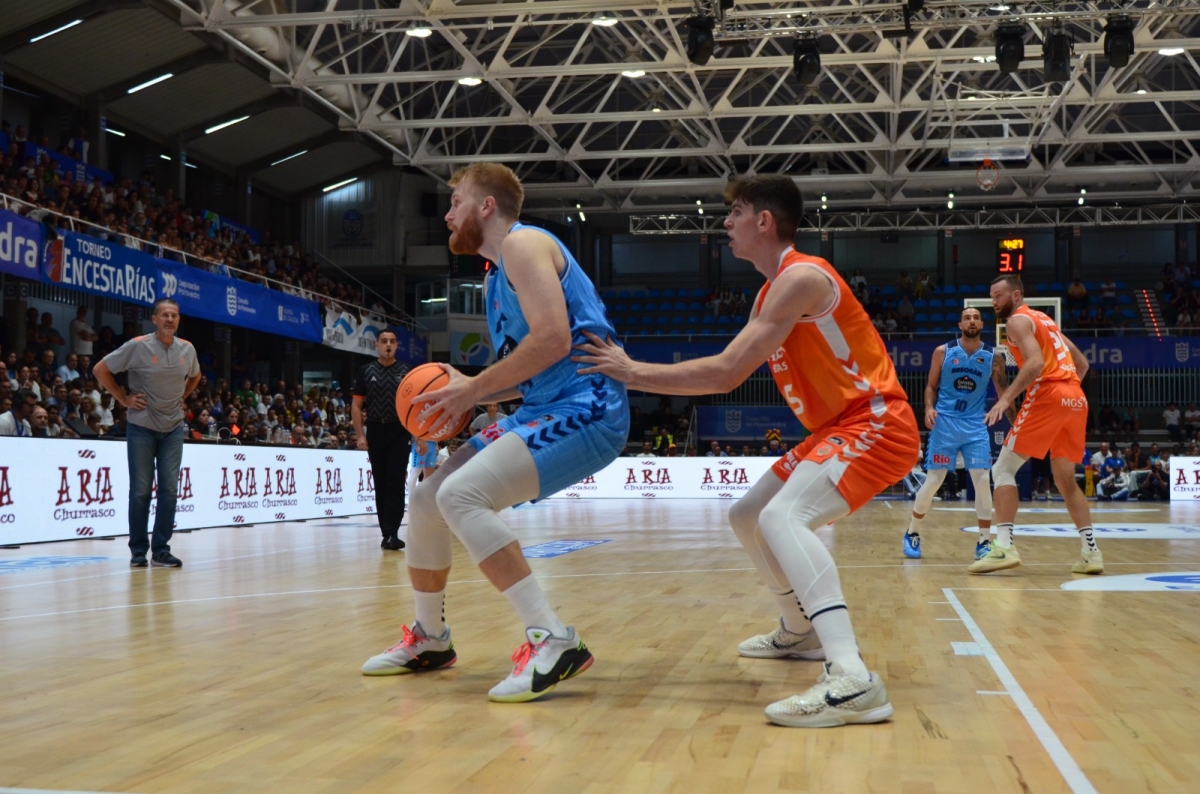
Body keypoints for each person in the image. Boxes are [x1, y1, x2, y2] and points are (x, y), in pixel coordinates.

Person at [575, 174, 918, 728]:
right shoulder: (769, 290)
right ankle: (799, 629)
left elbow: (727, 373)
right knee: (748, 515)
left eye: (735, 212)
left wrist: (630, 370)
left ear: (764, 220)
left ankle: (853, 677)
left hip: (875, 420)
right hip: (837, 427)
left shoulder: (801, 278)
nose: (725, 222)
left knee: (786, 517)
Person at [361, 162, 628, 704]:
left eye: (456, 200)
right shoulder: (491, 275)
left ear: (486, 207)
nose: (447, 212)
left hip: (589, 406)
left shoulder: (523, 246)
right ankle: (430, 639)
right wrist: (468, 392)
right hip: (544, 404)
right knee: (429, 498)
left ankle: (554, 639)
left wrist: (474, 390)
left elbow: (553, 341)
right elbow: (533, 366)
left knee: (463, 494)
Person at [971, 275, 1103, 576]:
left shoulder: (1017, 321)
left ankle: (1003, 546)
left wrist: (1005, 400)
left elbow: (1034, 364)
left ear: (1016, 295)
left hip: (1049, 393)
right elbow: (1082, 364)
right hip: (1075, 398)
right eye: (991, 296)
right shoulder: (1045, 320)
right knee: (1066, 480)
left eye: (999, 295)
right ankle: (1091, 552)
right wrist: (1066, 395)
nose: (994, 302)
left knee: (1002, 469)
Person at [93, 298, 201, 569]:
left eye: (174, 315)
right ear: (154, 319)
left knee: (169, 491)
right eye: (164, 315)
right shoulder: (138, 345)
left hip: (173, 427)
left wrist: (182, 396)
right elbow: (100, 369)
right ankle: (138, 551)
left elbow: (195, 376)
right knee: (140, 491)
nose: (169, 319)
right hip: (141, 426)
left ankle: (161, 550)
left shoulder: (187, 349)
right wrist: (123, 398)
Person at [903, 307, 1012, 562]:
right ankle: (912, 533)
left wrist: (1013, 422)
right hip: (945, 425)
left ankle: (984, 541)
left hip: (975, 426)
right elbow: (930, 386)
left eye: (975, 317)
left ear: (982, 324)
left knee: (983, 480)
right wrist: (929, 408)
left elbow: (1004, 392)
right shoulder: (943, 352)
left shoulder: (994, 357)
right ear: (960, 324)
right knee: (934, 481)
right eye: (967, 318)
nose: (971, 321)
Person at [352, 329, 411, 551]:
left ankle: (392, 532)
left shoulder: (407, 372)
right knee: (381, 482)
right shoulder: (365, 371)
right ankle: (385, 533)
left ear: (397, 346)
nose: (388, 345)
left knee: (396, 481)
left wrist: (420, 437)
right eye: (384, 341)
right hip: (375, 428)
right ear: (376, 344)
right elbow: (356, 406)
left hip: (400, 429)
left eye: (392, 341)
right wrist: (360, 435)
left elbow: (414, 407)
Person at [406, 438, 439, 508]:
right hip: (420, 442)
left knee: (429, 477)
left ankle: (423, 501)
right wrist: (417, 440)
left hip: (432, 443)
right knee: (415, 474)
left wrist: (436, 444)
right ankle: (411, 502)